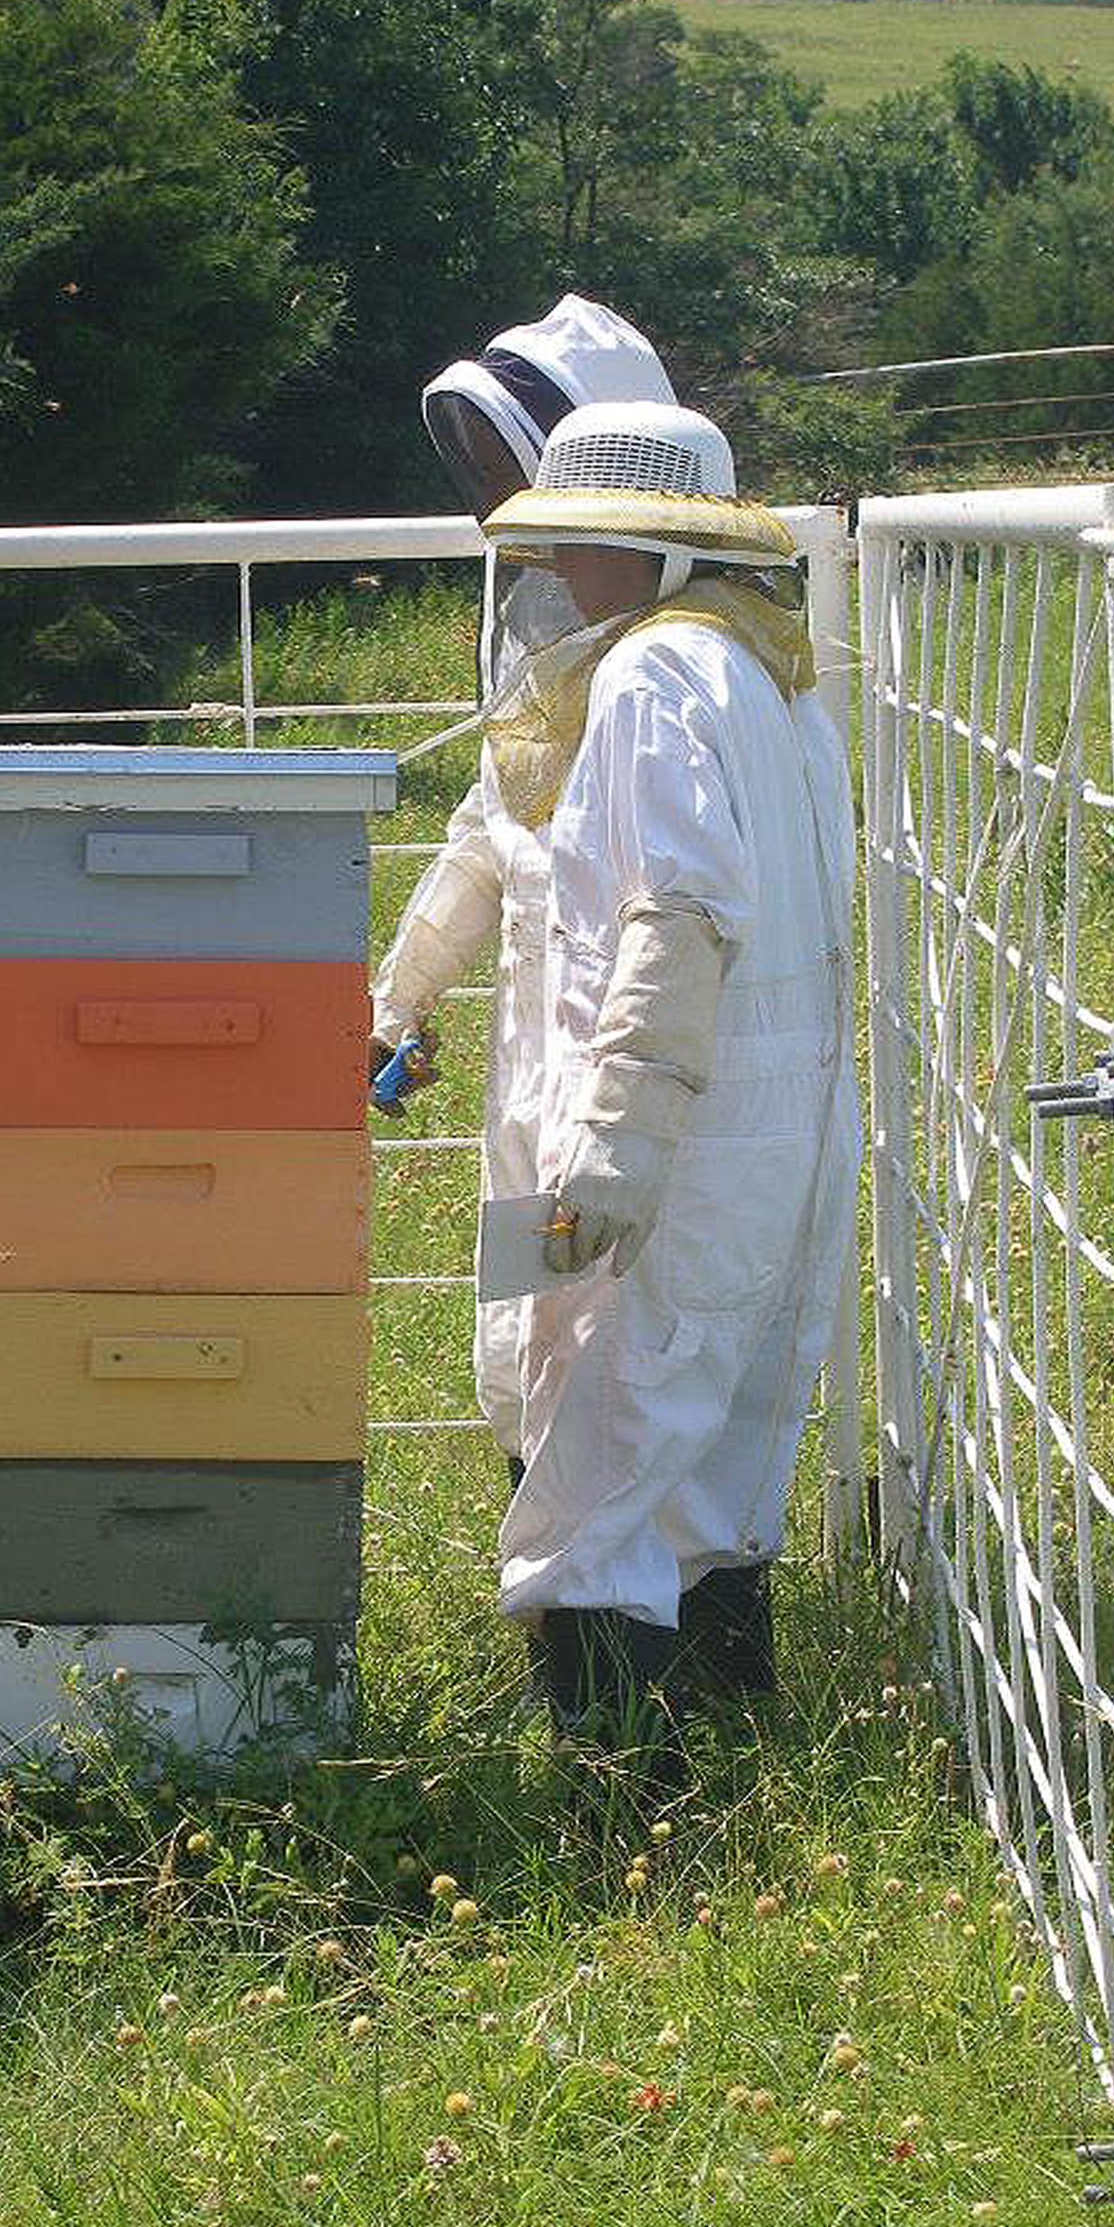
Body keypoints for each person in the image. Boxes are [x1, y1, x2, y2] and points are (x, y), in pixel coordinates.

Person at [472, 400, 860, 1756]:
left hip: (676, 1123)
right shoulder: (775, 672)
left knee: (604, 1432)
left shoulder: (649, 678)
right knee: (722, 1423)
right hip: (783, 1110)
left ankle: (622, 1799)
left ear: (648, 550)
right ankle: (738, 1736)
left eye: (583, 544)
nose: (563, 576)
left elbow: (678, 910)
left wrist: (617, 1146)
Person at [370, 297, 675, 1478]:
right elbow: (489, 827)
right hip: (533, 1024)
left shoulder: (692, 656)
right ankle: (562, 1619)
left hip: (639, 1029)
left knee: (635, 1319)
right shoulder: (532, 615)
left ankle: (659, 1623)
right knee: (524, 1302)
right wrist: (394, 1001)